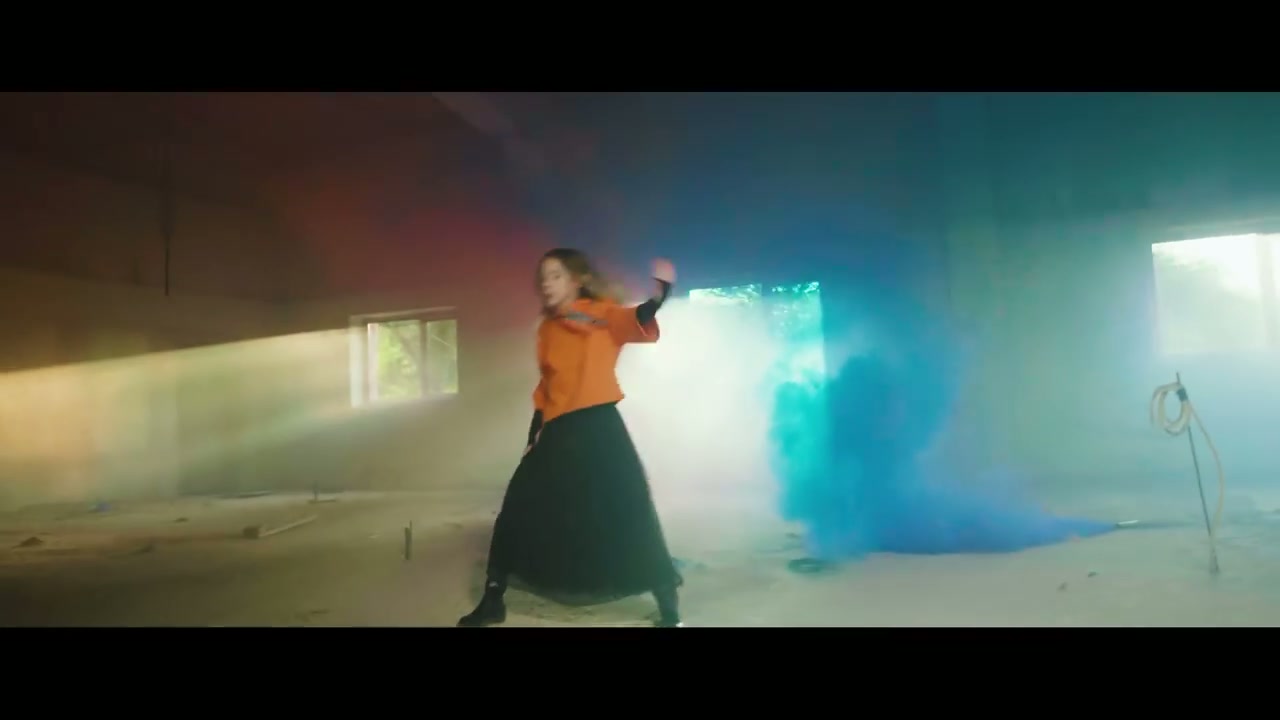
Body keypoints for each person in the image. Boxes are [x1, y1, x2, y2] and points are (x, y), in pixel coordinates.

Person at [458, 248, 684, 628]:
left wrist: (659, 297)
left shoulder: (600, 314)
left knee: (628, 512)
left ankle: (669, 609)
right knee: (516, 509)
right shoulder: (546, 330)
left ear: (577, 280)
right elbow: (547, 386)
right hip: (557, 429)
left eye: (556, 275)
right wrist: (533, 436)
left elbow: (634, 317)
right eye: (543, 277)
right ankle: (493, 599)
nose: (546, 284)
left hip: (599, 427)